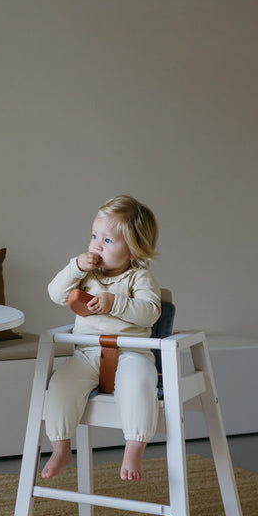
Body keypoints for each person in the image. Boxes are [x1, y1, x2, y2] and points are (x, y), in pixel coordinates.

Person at [42, 195, 161, 481]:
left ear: (133, 251)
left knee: (139, 382)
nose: (97, 245)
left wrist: (115, 302)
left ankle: (134, 446)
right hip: (87, 354)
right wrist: (75, 267)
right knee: (61, 385)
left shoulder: (139, 278)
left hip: (131, 353)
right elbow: (55, 294)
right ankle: (61, 447)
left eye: (108, 241)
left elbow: (150, 313)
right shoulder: (86, 275)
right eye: (94, 236)